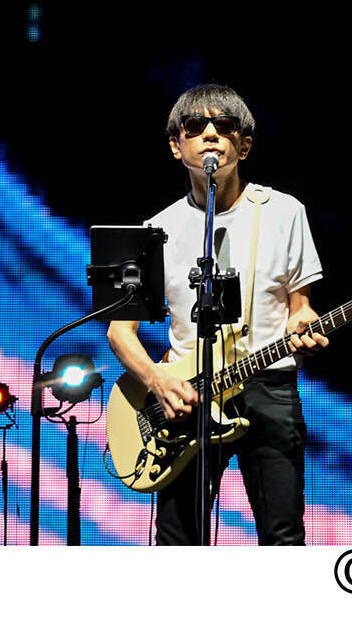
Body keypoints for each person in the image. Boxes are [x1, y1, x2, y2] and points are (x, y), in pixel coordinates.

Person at [106, 83, 328, 544]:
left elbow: (300, 307)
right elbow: (119, 331)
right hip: (185, 392)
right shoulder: (157, 229)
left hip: (267, 385)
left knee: (283, 536)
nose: (210, 134)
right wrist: (157, 381)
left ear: (243, 146)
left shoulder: (284, 212)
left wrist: (302, 323)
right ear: (176, 145)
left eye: (224, 126)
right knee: (178, 540)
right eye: (195, 126)